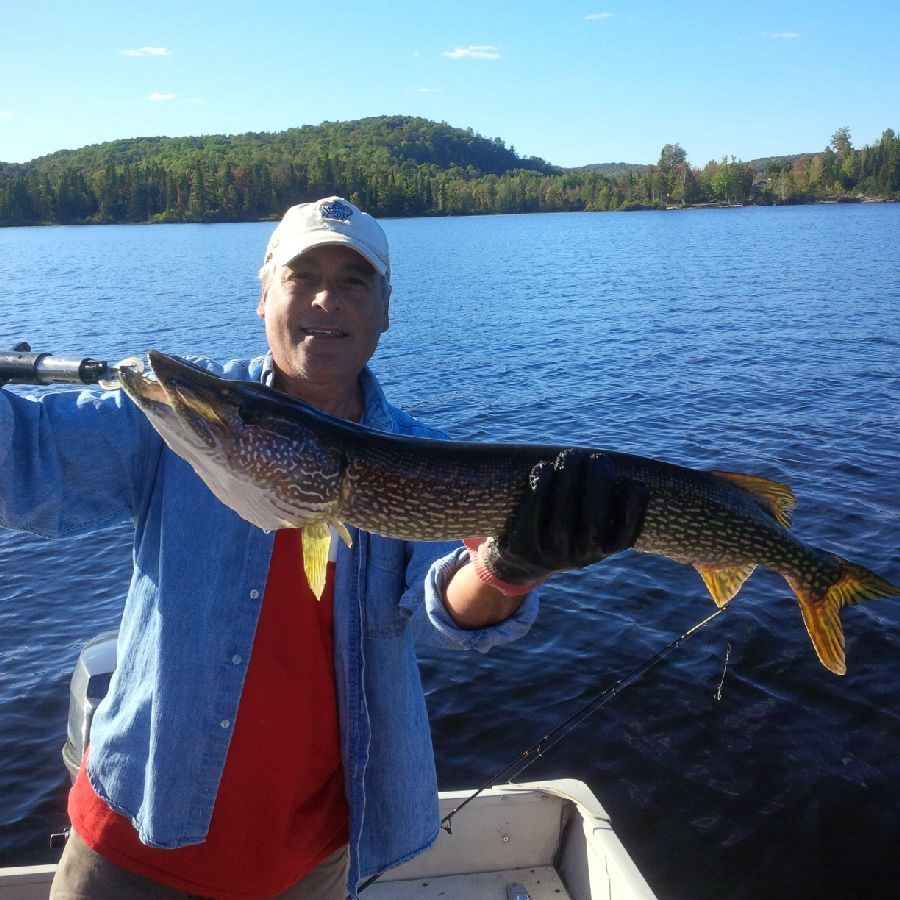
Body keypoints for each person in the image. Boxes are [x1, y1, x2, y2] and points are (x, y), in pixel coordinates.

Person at [0, 196, 647, 899]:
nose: (325, 298)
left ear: (385, 311)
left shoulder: (419, 458)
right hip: (133, 841)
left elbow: (449, 610)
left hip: (313, 861)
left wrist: (510, 565)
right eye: (301, 275)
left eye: (353, 281)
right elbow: (22, 459)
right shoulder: (177, 423)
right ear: (264, 296)